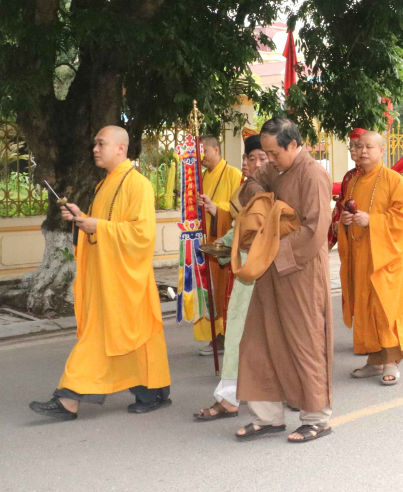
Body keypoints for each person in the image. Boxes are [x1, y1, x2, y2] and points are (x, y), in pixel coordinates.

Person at [30, 126, 171, 420]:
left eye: (100, 143)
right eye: (95, 143)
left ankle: (70, 399)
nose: (94, 149)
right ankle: (150, 390)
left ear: (121, 148)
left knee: (126, 335)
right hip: (104, 276)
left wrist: (98, 226)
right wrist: (81, 218)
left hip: (125, 278)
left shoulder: (138, 185)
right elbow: (101, 227)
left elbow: (143, 235)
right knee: (111, 336)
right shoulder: (103, 185)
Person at [233, 117, 334, 444]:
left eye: (274, 152)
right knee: (258, 341)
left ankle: (317, 417)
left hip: (299, 269)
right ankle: (268, 417)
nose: (267, 160)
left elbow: (315, 230)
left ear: (293, 144)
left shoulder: (313, 173)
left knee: (304, 341)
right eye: (264, 153)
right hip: (270, 267)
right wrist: (266, 203)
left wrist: (272, 250)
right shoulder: (274, 169)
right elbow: (250, 185)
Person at [195, 135, 269, 421]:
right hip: (247, 274)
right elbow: (238, 227)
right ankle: (229, 398)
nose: (258, 163)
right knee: (237, 334)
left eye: (264, 157)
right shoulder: (245, 189)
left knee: (277, 337)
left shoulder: (283, 186)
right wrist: (222, 246)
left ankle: (291, 394)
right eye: (252, 158)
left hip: (276, 276)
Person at [339, 131, 403, 386]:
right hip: (361, 254)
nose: (363, 152)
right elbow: (346, 213)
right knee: (364, 306)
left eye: (369, 147)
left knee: (384, 307)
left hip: (386, 258)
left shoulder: (394, 180)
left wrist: (373, 220)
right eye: (360, 148)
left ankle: (390, 361)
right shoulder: (354, 182)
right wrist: (346, 222)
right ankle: (374, 360)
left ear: (382, 151)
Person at [195, 136, 243, 354]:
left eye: (203, 150)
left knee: (224, 289)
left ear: (216, 149)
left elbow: (236, 210)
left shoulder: (233, 174)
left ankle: (225, 336)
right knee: (209, 290)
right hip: (204, 241)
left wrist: (215, 209)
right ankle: (214, 334)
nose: (201, 156)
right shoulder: (201, 177)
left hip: (222, 241)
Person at [328, 128, 367, 250]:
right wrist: (329, 240)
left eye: (356, 145)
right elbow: (340, 207)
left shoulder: (380, 176)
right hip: (350, 235)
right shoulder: (348, 177)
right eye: (350, 145)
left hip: (370, 236)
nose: (351, 149)